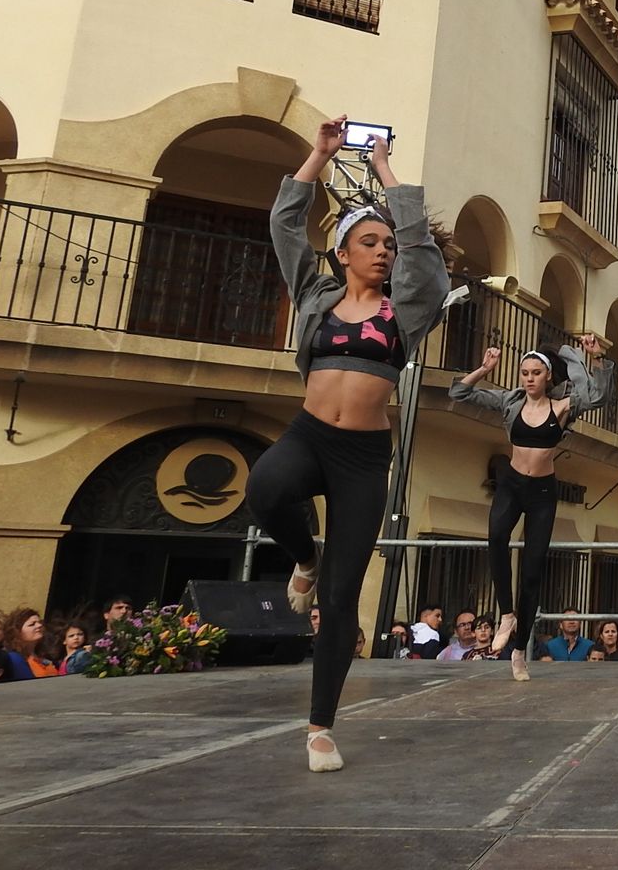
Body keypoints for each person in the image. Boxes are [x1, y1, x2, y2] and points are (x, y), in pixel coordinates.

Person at [244, 118, 450, 772]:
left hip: (363, 459)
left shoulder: (406, 310)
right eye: (369, 242)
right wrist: (320, 154)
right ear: (341, 253)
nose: (384, 251)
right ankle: (303, 556)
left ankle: (320, 728)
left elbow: (426, 258)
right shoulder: (315, 292)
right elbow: (283, 225)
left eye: (387, 243)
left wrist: (387, 172)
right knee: (265, 490)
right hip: (310, 436)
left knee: (339, 601)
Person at [450, 334, 612, 682]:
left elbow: (598, 396)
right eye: (524, 372)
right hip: (511, 485)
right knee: (495, 537)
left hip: (542, 491)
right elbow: (459, 393)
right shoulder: (510, 401)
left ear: (548, 376)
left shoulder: (564, 406)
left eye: (536, 372)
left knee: (533, 571)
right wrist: (483, 368)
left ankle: (520, 649)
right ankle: (506, 615)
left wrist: (596, 359)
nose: (529, 378)